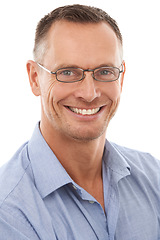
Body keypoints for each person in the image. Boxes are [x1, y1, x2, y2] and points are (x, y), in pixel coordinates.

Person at [0, 4, 159, 240]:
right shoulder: (9, 210)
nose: (89, 93)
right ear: (35, 78)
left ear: (121, 77)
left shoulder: (154, 176)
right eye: (67, 72)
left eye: (105, 71)